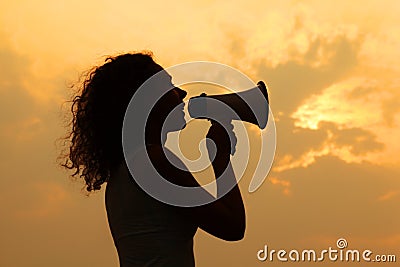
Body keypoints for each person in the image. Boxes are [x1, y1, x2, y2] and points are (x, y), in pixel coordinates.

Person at [61, 52, 246, 266]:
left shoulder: (124, 169)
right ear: (147, 98)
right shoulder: (157, 162)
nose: (182, 92)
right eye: (169, 85)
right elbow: (232, 226)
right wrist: (220, 156)